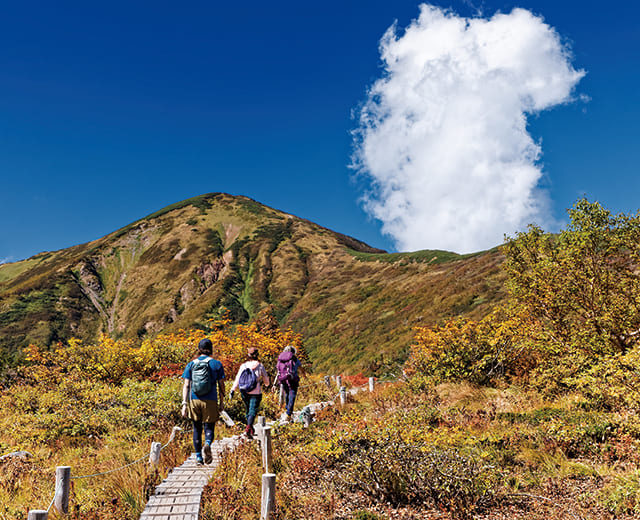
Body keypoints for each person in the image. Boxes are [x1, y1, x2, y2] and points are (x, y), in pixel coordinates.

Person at [182, 338, 225, 465]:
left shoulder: (191, 364)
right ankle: (207, 443)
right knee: (209, 427)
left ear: (199, 349)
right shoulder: (217, 364)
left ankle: (199, 458)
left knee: (196, 428)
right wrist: (222, 402)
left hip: (194, 400)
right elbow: (221, 385)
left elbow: (186, 385)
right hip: (211, 400)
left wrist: (184, 404)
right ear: (211, 349)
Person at [229, 347, 269, 439]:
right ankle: (247, 429)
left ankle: (250, 429)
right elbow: (266, 381)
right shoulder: (260, 366)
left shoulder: (243, 366)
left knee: (248, 410)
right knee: (252, 410)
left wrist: (233, 389)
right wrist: (267, 384)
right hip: (256, 392)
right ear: (257, 355)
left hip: (244, 391)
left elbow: (238, 378)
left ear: (248, 355)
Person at [276, 345, 301, 422]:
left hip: (283, 379)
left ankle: (287, 409)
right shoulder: (294, 359)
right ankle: (288, 413)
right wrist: (303, 374)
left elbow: (278, 370)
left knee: (287, 393)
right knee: (292, 394)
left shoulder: (280, 359)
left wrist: (275, 383)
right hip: (292, 380)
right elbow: (300, 366)